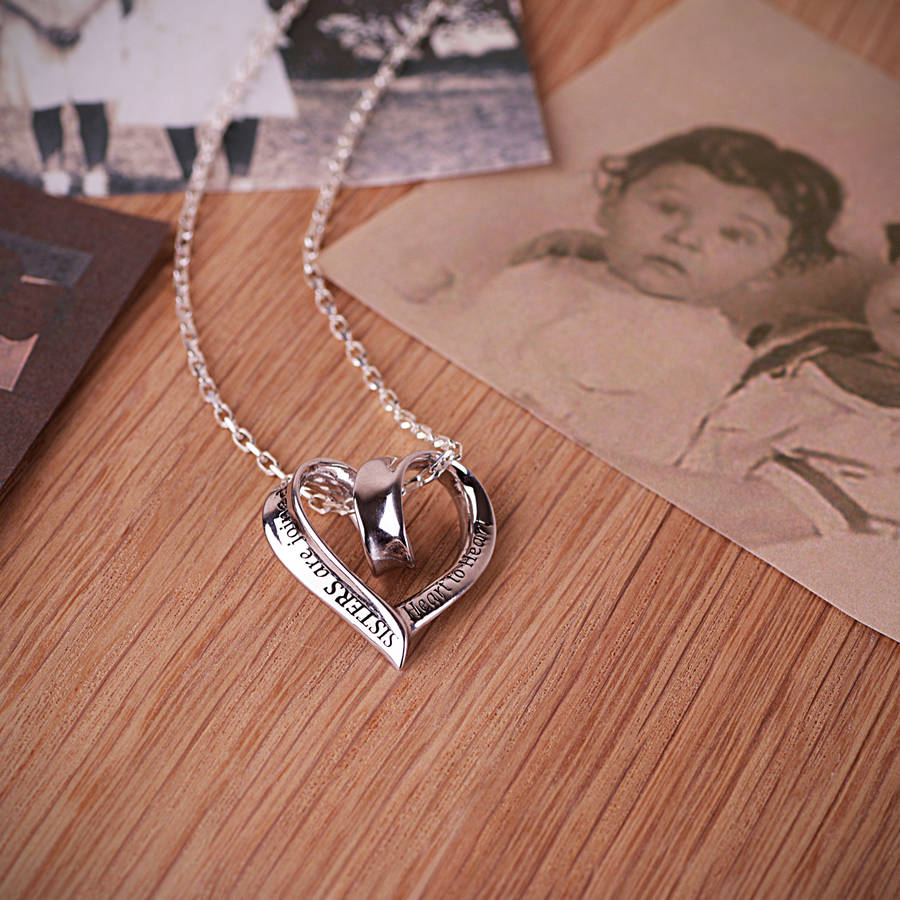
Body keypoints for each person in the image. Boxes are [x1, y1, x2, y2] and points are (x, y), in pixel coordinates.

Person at [482, 126, 847, 465]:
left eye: (735, 235)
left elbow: (640, 450)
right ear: (611, 202)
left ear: (774, 271)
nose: (685, 237)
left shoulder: (707, 352)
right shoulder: (551, 267)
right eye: (669, 208)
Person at [0, 0, 124, 196]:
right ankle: (53, 177)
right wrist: (45, 19)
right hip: (32, 21)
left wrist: (75, 19)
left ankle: (96, 176)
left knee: (91, 99)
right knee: (44, 100)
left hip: (90, 18)